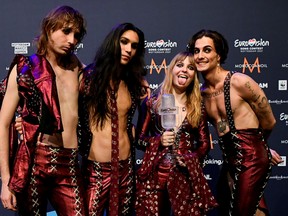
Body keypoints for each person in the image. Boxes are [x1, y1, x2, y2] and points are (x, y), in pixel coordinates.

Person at [0, 5, 87, 215]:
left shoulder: (78, 68)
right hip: (35, 163)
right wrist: (5, 181)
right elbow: (3, 124)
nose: (72, 40)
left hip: (69, 163)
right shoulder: (26, 68)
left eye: (76, 35)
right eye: (66, 31)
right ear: (49, 29)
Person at [187, 29, 283, 216]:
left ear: (218, 55)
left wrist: (261, 149)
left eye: (207, 50)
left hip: (252, 158)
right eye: (196, 51)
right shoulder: (202, 93)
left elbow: (269, 121)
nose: (200, 56)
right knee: (247, 208)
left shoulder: (239, 82)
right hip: (229, 160)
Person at [135, 51, 218, 215]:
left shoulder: (198, 106)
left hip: (186, 175)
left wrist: (189, 158)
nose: (184, 70)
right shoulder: (153, 102)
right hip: (157, 175)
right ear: (171, 69)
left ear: (194, 75)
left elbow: (204, 144)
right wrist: (158, 140)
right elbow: (139, 139)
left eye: (191, 67)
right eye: (180, 65)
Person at [77, 23, 148, 216]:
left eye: (134, 46)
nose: (128, 49)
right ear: (113, 42)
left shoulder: (134, 83)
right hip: (96, 171)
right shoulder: (89, 78)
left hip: (126, 169)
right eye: (124, 42)